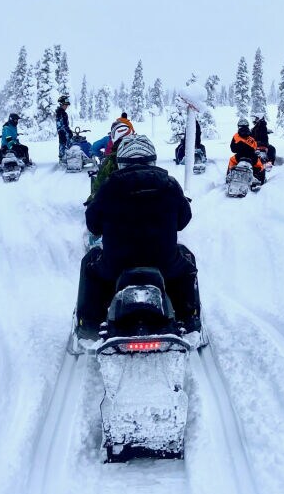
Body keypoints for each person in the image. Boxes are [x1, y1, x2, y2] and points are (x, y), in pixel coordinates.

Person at [77, 135, 201, 337]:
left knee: (90, 264)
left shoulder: (108, 187)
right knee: (186, 261)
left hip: (115, 266)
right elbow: (184, 220)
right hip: (165, 264)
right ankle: (189, 318)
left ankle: (89, 324)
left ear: (121, 162)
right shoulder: (170, 185)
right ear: (152, 159)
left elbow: (93, 225)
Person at [88, 121, 133, 199]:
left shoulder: (107, 139)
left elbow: (94, 147)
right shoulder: (133, 141)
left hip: (109, 160)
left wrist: (101, 155)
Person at [228, 118, 266, 186]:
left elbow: (233, 149)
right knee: (261, 166)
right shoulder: (251, 136)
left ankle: (229, 175)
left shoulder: (235, 136)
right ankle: (260, 179)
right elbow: (255, 147)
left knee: (231, 160)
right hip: (252, 157)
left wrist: (240, 148)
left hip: (239, 156)